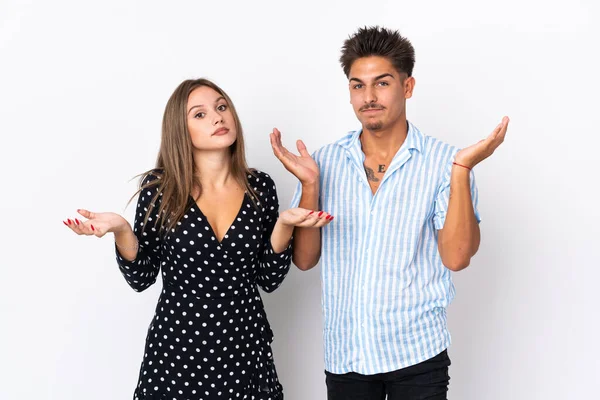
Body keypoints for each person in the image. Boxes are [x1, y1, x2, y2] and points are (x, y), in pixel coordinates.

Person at [270, 26, 509, 400]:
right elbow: (304, 260)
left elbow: (457, 257)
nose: (368, 97)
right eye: (357, 85)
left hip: (417, 356)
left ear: (407, 87)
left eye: (381, 83)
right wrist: (312, 188)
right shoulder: (323, 162)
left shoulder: (443, 162)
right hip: (346, 355)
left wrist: (461, 169)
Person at [63, 78, 332, 400]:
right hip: (177, 349)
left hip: (243, 347)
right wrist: (122, 230)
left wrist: (284, 225)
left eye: (221, 107)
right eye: (200, 114)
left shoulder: (260, 187)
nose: (218, 117)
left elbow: (268, 278)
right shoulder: (160, 188)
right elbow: (142, 277)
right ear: (180, 129)